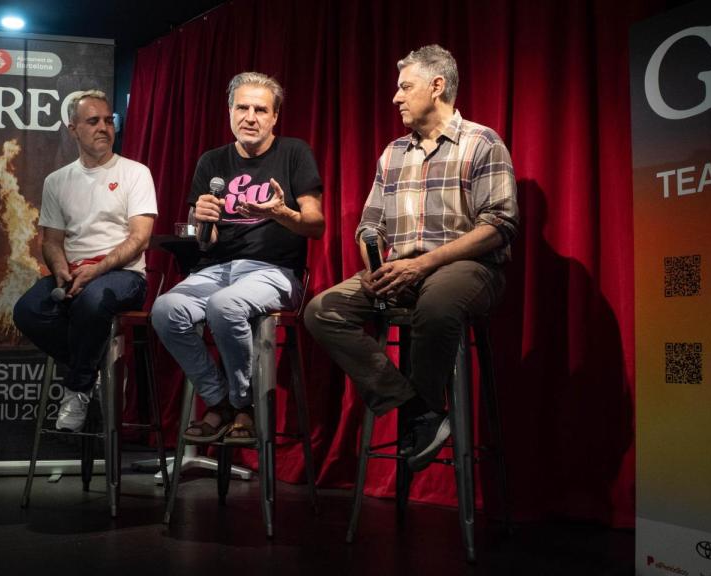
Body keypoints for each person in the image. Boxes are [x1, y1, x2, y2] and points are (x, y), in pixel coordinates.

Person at [305, 45, 518, 472]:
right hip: (400, 270)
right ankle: (416, 409)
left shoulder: (482, 142)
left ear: (436, 86)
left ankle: (423, 412)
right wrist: (374, 267)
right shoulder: (393, 153)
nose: (395, 97)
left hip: (467, 269)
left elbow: (499, 225)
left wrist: (423, 264)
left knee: (436, 304)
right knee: (322, 311)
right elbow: (370, 224)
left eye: (405, 87)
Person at [151, 72, 324, 445]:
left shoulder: (294, 153)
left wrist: (282, 213)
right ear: (229, 111)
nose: (250, 117)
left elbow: (316, 225)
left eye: (260, 110)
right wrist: (201, 220)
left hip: (274, 272)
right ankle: (220, 400)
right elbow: (203, 240)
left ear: (275, 116)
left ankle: (244, 404)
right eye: (242, 108)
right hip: (216, 270)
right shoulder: (212, 161)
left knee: (224, 305)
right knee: (165, 309)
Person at [13, 90, 157, 432]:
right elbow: (51, 241)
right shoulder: (57, 181)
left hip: (123, 275)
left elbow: (140, 238)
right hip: (75, 273)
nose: (104, 128)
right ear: (73, 128)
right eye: (93, 121)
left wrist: (97, 270)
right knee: (27, 311)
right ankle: (96, 367)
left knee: (92, 301)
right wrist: (61, 270)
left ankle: (77, 388)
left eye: (109, 120)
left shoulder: (135, 173)